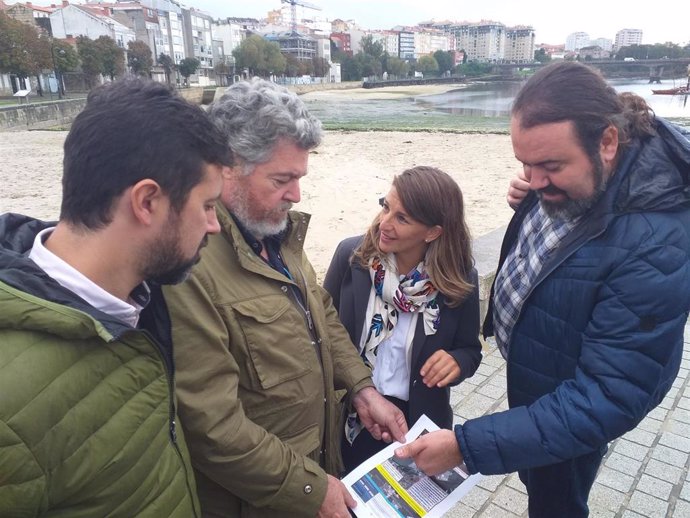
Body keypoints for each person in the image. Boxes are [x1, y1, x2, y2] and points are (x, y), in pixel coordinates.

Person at [395, 61, 690, 516]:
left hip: (573, 400)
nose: (533, 180)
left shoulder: (656, 243)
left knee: (555, 500)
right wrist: (536, 194)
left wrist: (467, 446)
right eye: (525, 165)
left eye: (549, 165)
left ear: (607, 142)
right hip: (540, 370)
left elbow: (608, 396)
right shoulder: (583, 181)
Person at [162, 77, 407, 518]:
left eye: (300, 177)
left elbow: (321, 315)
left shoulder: (274, 234)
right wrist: (310, 490)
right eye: (282, 179)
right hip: (259, 500)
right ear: (227, 165)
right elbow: (211, 426)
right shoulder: (189, 265)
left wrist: (361, 389)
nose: (295, 195)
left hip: (313, 469)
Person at [0, 79, 233, 517]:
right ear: (147, 202)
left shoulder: (142, 298)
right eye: (207, 205)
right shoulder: (9, 404)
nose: (215, 225)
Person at [323, 166, 483, 473]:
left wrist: (457, 362)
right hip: (350, 417)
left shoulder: (460, 280)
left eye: (402, 218)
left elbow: (470, 351)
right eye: (386, 206)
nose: (385, 223)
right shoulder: (351, 258)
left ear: (433, 232)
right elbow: (320, 331)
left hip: (417, 425)